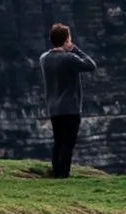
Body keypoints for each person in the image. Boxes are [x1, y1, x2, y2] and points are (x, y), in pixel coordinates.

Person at [40, 22, 97, 178]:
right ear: (66, 40)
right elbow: (91, 65)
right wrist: (75, 49)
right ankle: (63, 173)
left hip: (54, 107)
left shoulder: (44, 58)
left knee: (58, 141)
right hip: (70, 108)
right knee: (68, 143)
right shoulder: (69, 58)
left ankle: (55, 170)